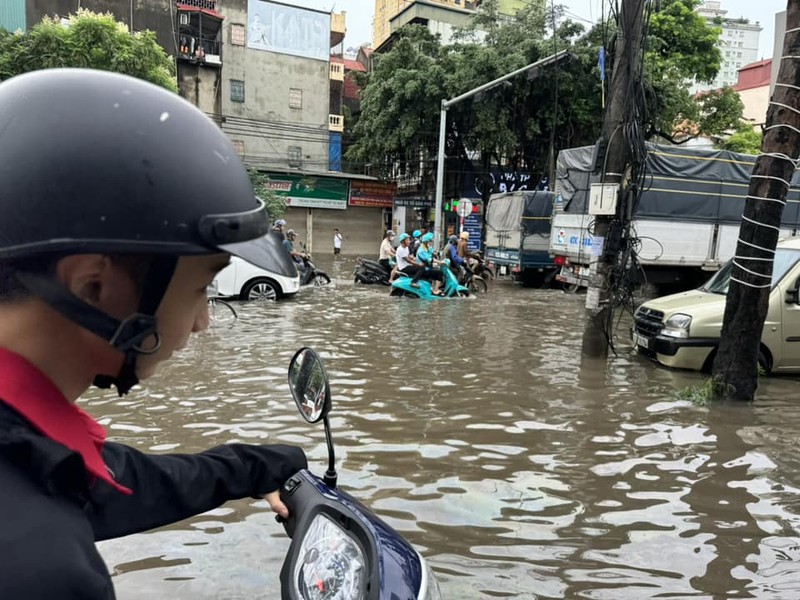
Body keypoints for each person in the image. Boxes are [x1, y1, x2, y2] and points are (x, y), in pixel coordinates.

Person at [0, 68, 307, 598]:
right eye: (200, 289)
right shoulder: (44, 570)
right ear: (96, 286)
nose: (203, 321)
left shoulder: (26, 454)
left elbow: (108, 483)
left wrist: (261, 467)